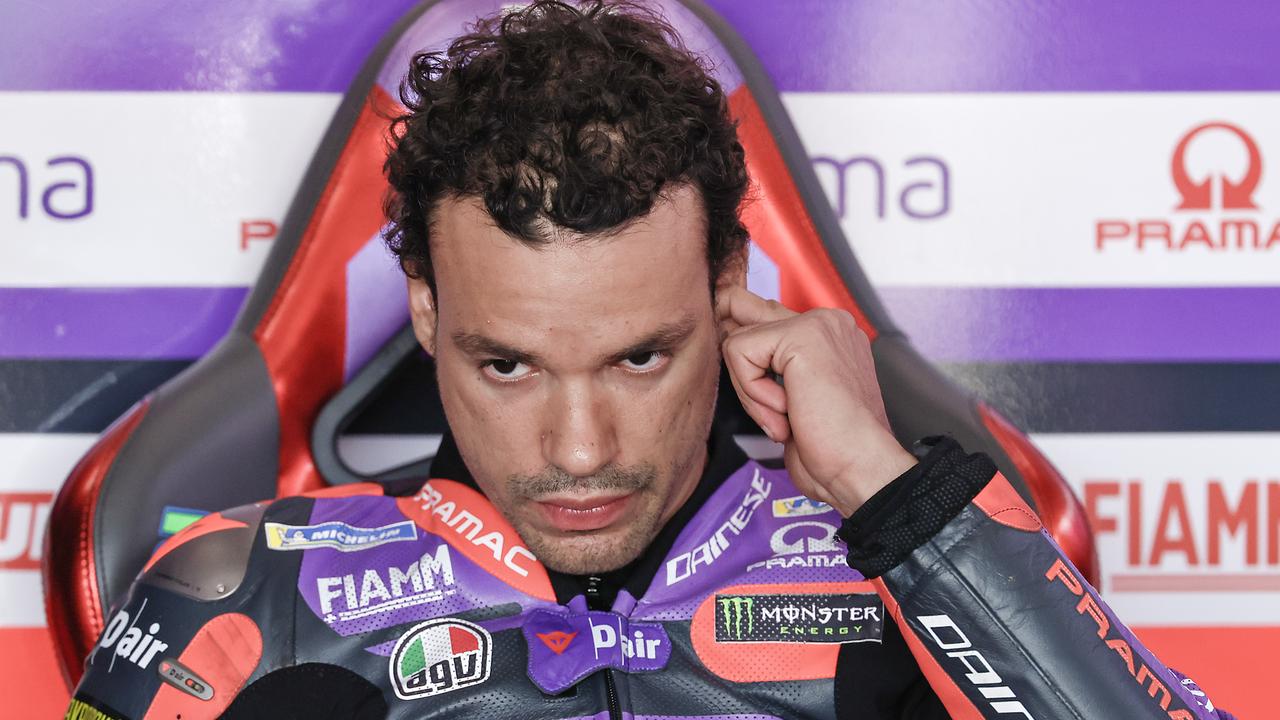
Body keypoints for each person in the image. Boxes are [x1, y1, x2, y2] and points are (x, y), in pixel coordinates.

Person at [66, 2, 1231, 718]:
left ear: (728, 288)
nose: (579, 452)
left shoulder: (904, 583)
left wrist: (894, 500)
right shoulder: (236, 600)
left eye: (637, 358)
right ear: (423, 309)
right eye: (508, 366)